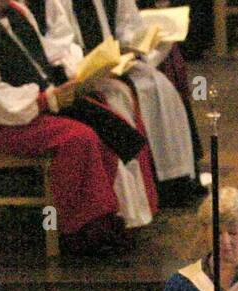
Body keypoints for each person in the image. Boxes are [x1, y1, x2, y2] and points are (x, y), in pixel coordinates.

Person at [0, 0, 154, 254]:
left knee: (102, 121)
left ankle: (102, 219)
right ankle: (77, 230)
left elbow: (37, 63)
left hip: (22, 108)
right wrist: (46, 100)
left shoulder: (15, 12)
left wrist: (71, 80)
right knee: (78, 138)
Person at [27, 0, 199, 206]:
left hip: (109, 64)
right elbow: (58, 42)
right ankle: (122, 204)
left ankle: (172, 181)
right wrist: (82, 66)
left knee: (158, 85)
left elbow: (128, 26)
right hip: (72, 75)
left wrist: (133, 45)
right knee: (118, 101)